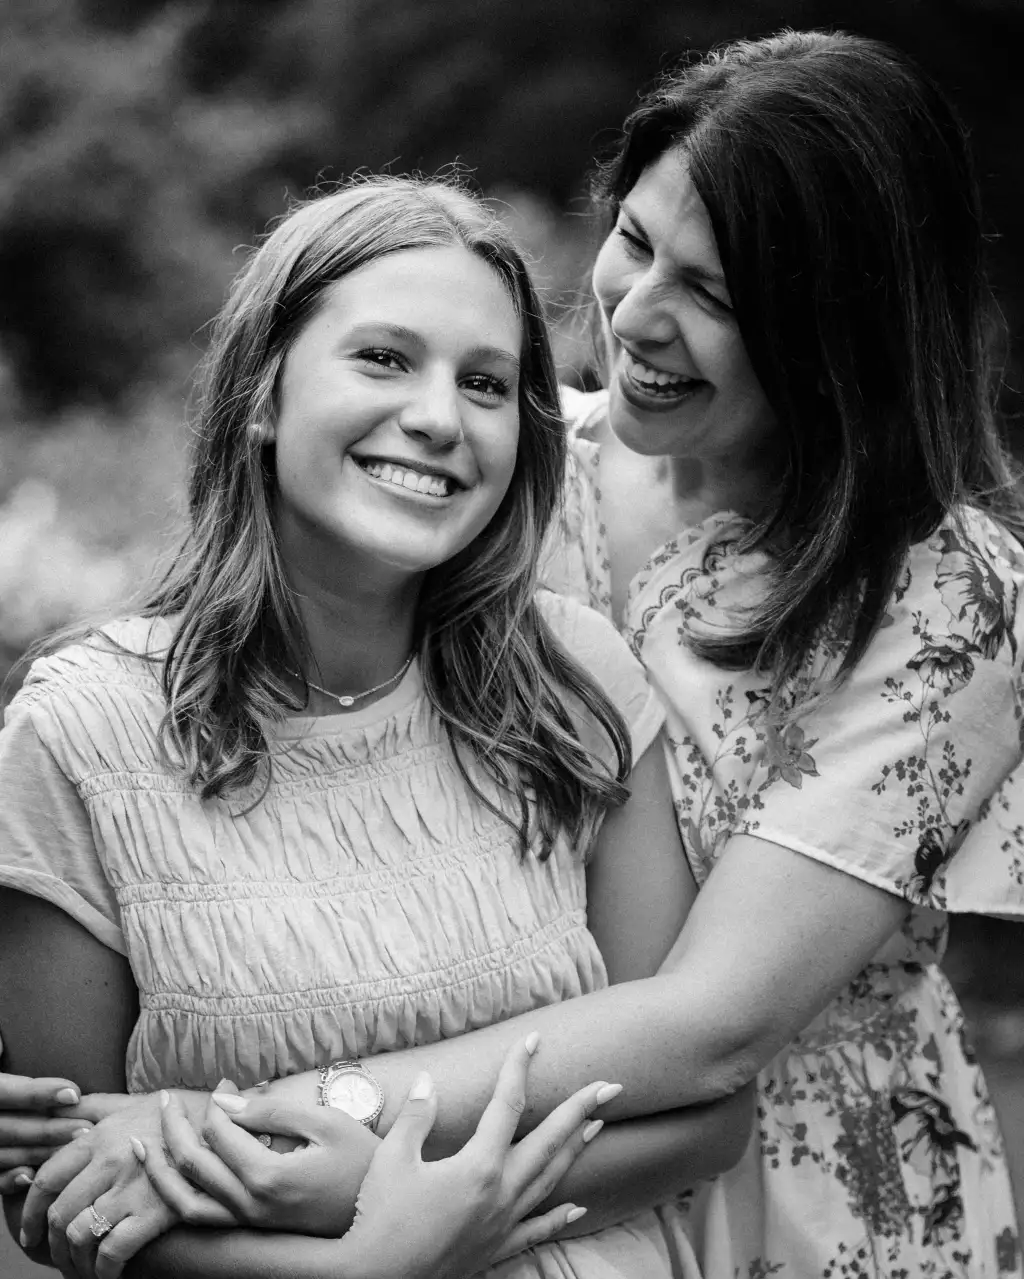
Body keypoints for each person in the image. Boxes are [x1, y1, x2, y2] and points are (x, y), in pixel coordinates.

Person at [5, 24, 1024, 1278]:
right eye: (635, 241)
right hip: (503, 1153)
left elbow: (710, 1030)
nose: (634, 314)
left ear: (838, 329)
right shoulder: (510, 478)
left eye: (713, 296)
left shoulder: (944, 600)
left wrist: (281, 1130)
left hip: (802, 1185)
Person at [0, 175, 749, 1279]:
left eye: (485, 383)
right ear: (262, 394)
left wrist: (386, 1187)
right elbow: (67, 1193)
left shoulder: (575, 679)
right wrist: (373, 1261)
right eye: (385, 359)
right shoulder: (78, 735)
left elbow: (707, 1114)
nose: (441, 418)